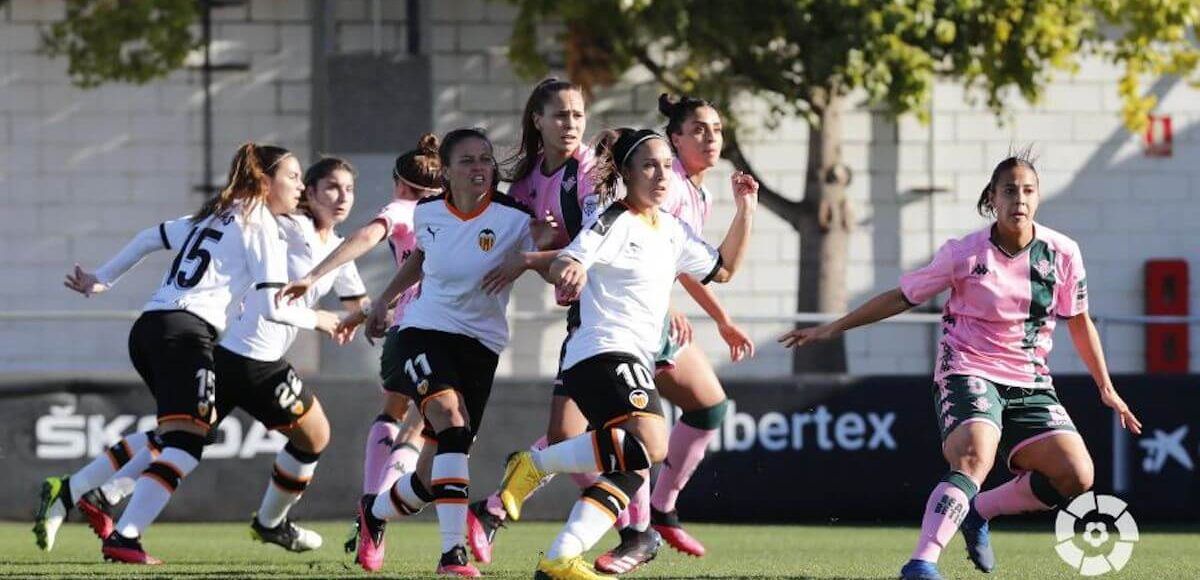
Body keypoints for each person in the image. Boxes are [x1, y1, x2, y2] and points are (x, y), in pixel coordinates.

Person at [779, 152, 1142, 580]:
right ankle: (921, 563)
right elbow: (901, 296)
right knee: (974, 457)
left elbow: (1078, 321)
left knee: (1076, 476)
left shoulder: (1063, 253)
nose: (1019, 199)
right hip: (968, 368)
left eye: (1028, 191)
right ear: (992, 198)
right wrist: (833, 327)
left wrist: (1105, 386)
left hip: (1030, 380)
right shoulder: (964, 253)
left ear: (1038, 198)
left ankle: (978, 512)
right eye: (1009, 191)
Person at [44, 143, 340, 564]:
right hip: (188, 335)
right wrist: (321, 320)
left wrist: (103, 278)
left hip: (151, 328)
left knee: (184, 432)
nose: (299, 185)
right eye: (292, 176)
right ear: (264, 180)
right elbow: (276, 307)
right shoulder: (263, 227)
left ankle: (85, 494)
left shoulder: (216, 213)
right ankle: (123, 534)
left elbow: (151, 236)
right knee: (186, 440)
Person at [498, 128, 758, 580]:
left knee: (633, 464)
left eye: (666, 166)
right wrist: (570, 270)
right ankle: (534, 465)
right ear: (626, 173)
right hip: (601, 350)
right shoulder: (615, 217)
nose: (661, 175)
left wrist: (746, 209)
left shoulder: (673, 230)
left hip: (630, 358)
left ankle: (560, 557)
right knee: (652, 444)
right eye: (649, 166)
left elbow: (725, 268)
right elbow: (571, 257)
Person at [352, 128, 545, 577]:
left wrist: (542, 258)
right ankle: (452, 555)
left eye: (485, 160)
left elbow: (550, 268)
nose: (479, 168)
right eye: (467, 161)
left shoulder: (516, 217)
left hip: (481, 347)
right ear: (447, 171)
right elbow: (420, 258)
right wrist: (384, 300)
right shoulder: (427, 212)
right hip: (422, 333)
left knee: (430, 476)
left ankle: (374, 512)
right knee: (450, 422)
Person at [216, 156, 369, 552]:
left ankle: (91, 490)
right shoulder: (286, 226)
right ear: (310, 191)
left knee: (181, 437)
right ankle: (270, 523)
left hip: (247, 355)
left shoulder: (338, 248)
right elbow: (248, 217)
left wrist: (396, 305)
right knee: (314, 433)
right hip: (249, 352)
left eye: (349, 189)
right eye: (331, 187)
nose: (342, 197)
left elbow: (360, 307)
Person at [279, 134, 444, 499]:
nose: (343, 197)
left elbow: (372, 240)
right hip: (445, 327)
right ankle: (378, 511)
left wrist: (317, 280)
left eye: (348, 189)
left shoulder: (403, 208)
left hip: (405, 327)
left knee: (394, 412)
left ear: (398, 183)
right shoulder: (448, 211)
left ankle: (370, 501)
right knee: (423, 423)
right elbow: (374, 241)